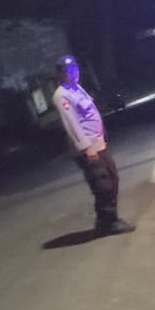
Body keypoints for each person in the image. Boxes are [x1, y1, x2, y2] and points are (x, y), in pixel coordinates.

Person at [53, 55, 135, 235]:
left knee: (112, 178)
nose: (73, 73)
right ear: (60, 74)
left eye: (75, 69)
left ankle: (106, 220)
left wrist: (101, 134)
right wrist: (87, 148)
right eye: (68, 71)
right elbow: (72, 124)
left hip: (98, 143)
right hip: (88, 149)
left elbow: (91, 111)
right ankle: (108, 222)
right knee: (103, 185)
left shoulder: (76, 88)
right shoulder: (62, 95)